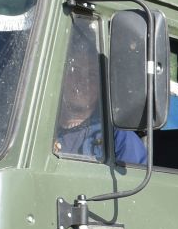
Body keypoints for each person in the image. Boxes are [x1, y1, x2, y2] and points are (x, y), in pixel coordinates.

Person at [54, 21, 147, 165]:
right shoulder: (37, 127)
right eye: (75, 70)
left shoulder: (117, 138)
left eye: (91, 75)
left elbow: (135, 185)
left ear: (102, 85)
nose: (81, 81)